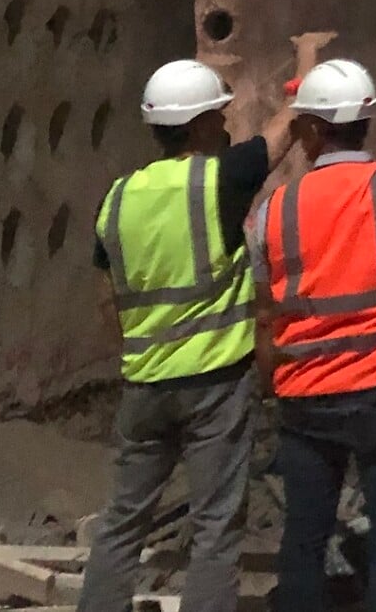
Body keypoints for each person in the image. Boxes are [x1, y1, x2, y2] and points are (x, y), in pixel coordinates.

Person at [77, 58, 301, 612]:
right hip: (214, 385)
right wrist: (305, 82)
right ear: (198, 124)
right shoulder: (218, 179)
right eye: (218, 115)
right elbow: (282, 134)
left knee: (122, 522)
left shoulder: (117, 197)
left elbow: (106, 298)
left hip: (144, 385)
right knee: (216, 527)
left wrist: (140, 351)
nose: (224, 124)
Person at [249, 59, 376, 612]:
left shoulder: (274, 211)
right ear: (366, 122)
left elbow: (266, 317)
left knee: (304, 538)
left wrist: (270, 389)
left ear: (310, 129)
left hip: (307, 398)